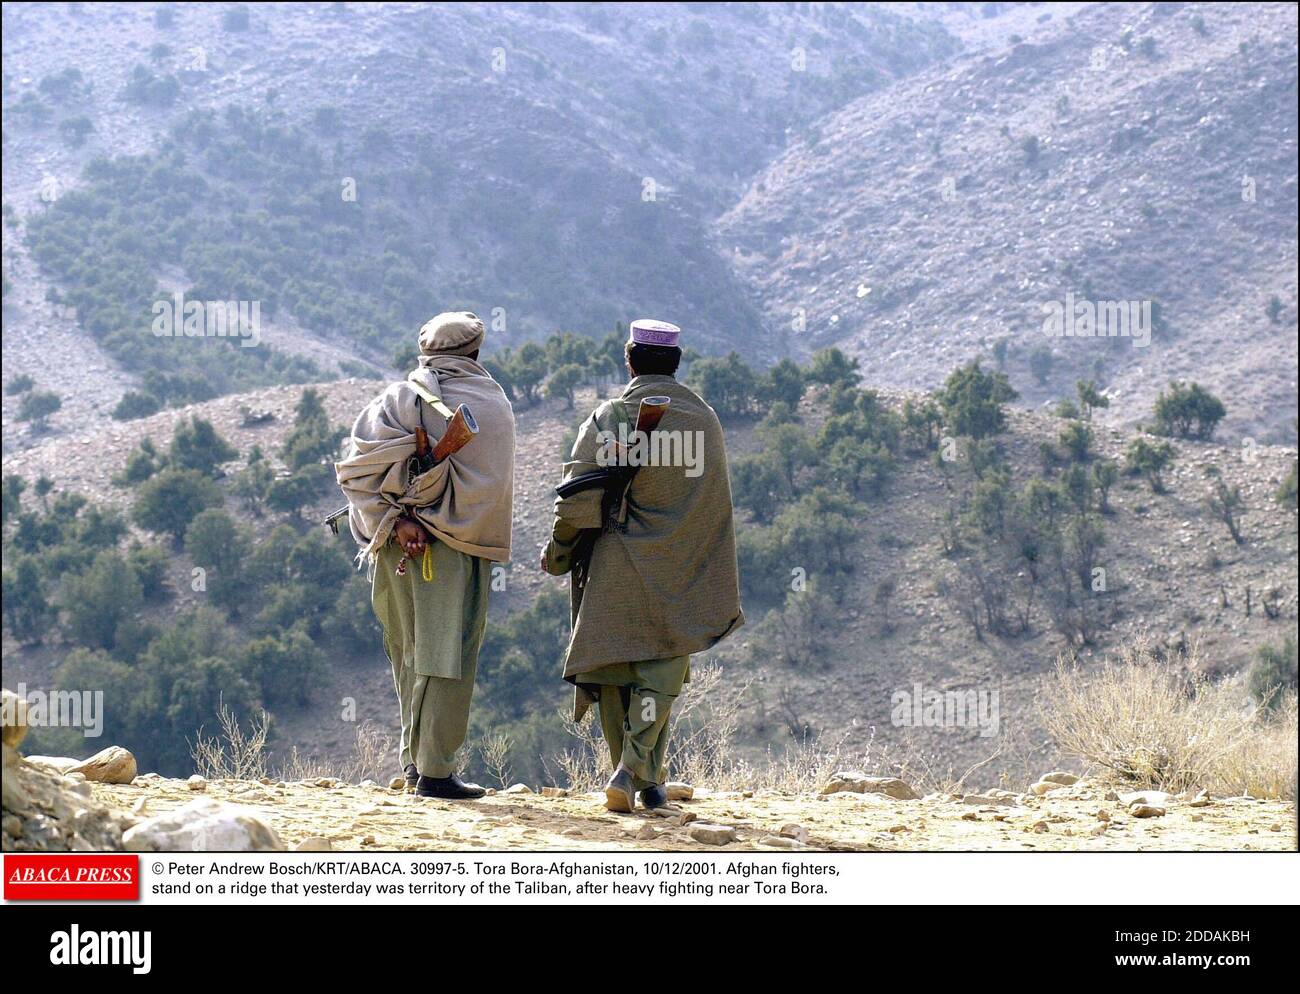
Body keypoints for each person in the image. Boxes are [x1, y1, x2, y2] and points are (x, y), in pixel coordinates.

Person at [541, 319, 744, 812]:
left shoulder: (609, 418)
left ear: (629, 360)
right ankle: (643, 779)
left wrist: (559, 552)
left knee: (613, 667)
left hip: (615, 562)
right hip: (680, 565)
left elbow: (575, 502)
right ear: (675, 363)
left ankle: (629, 770)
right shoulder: (705, 420)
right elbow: (714, 502)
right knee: (660, 669)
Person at [336, 312, 515, 799]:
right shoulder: (491, 403)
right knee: (448, 652)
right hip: (455, 550)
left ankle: (415, 765)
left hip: (393, 544)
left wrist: (399, 519)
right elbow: (490, 488)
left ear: (426, 352)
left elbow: (357, 472)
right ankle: (435, 771)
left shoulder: (395, 399)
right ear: (475, 352)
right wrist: (435, 518)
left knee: (410, 654)